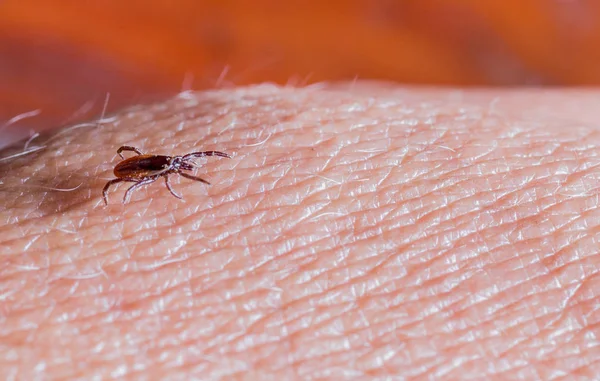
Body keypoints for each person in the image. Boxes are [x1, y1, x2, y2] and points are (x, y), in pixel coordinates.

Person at [0, 82, 596, 379]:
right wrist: (174, 175)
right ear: (157, 167)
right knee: (135, 181)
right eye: (172, 166)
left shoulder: (161, 162)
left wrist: (187, 161)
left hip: (133, 164)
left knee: (151, 172)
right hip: (127, 171)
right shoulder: (150, 172)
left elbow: (144, 163)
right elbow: (132, 170)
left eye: (175, 165)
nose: (174, 169)